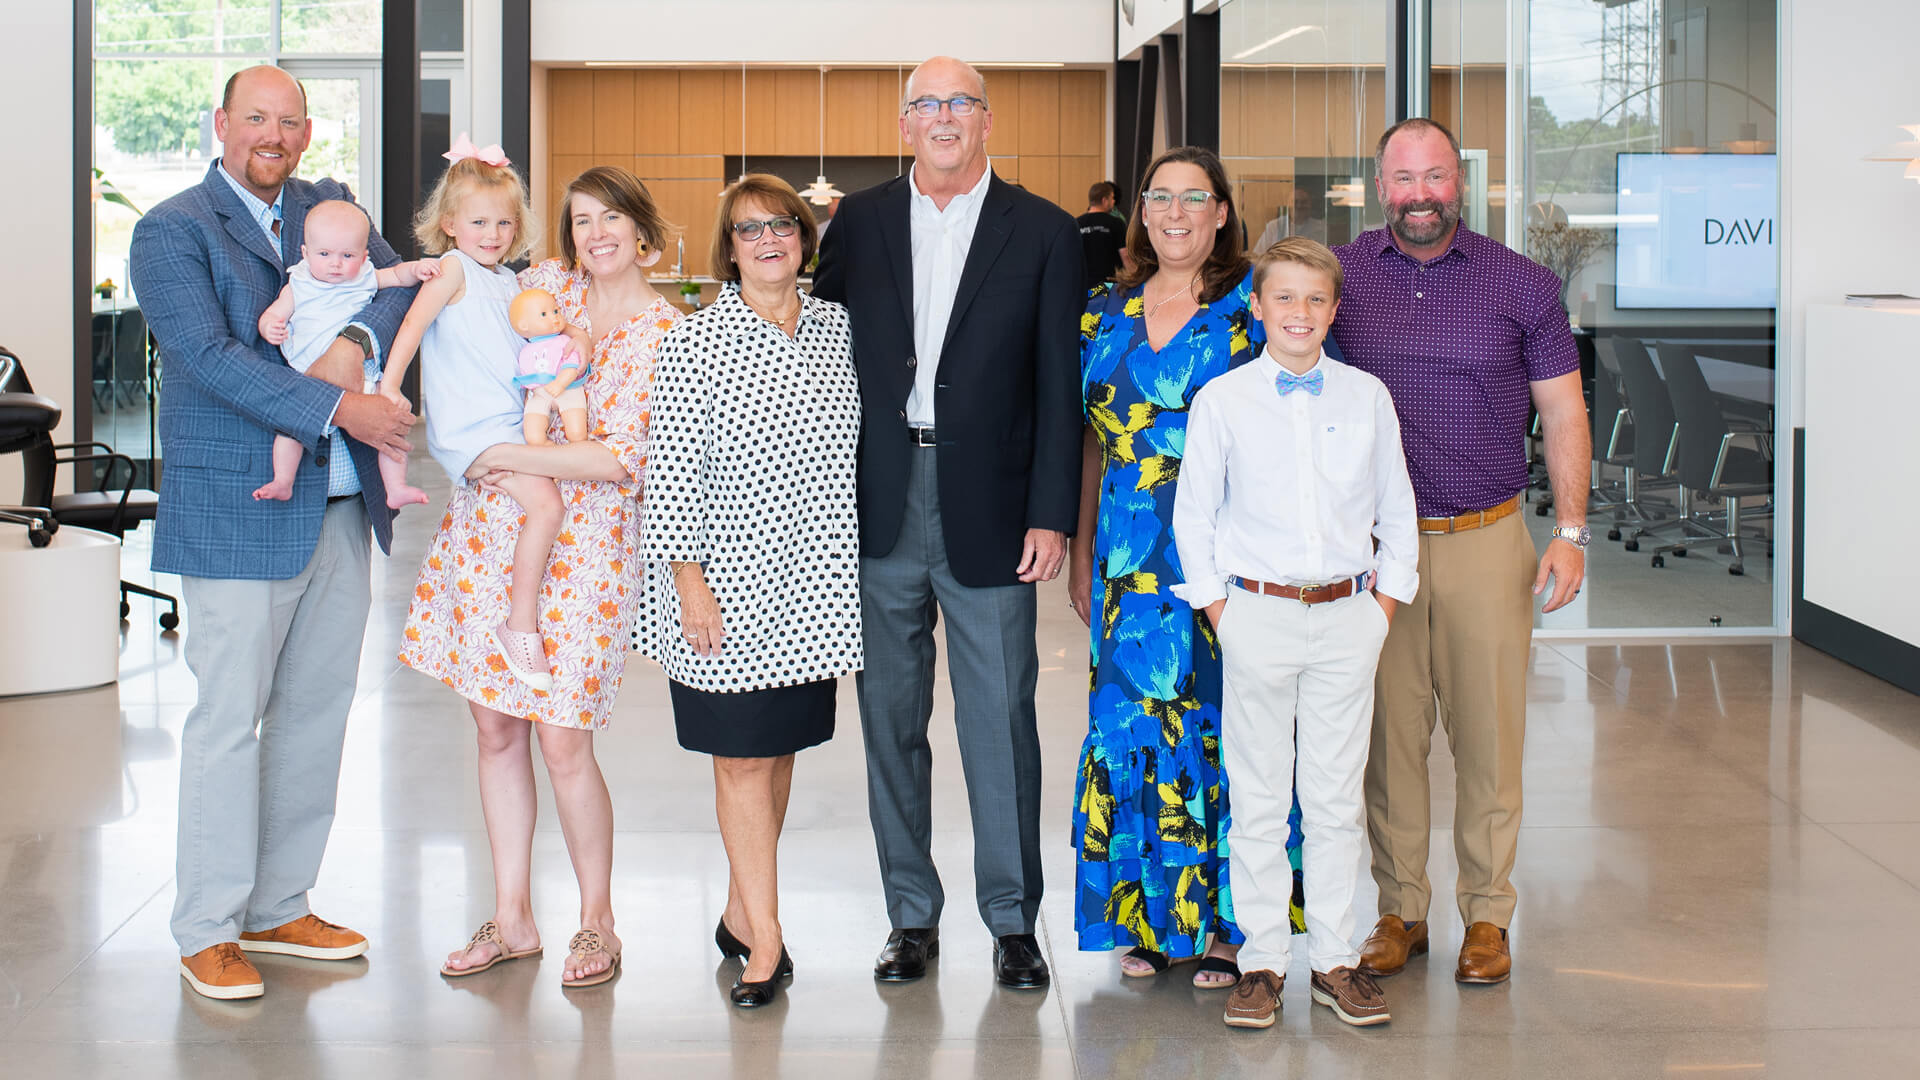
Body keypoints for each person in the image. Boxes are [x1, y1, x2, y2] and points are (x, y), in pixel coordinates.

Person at [128, 64, 417, 1001]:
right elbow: (208, 359)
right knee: (228, 721)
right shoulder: (171, 229)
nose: (275, 136)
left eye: (291, 122)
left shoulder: (329, 207)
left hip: (337, 507)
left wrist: (354, 348)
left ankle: (279, 903)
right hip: (238, 506)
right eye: (257, 118)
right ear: (221, 123)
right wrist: (339, 407)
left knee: (316, 714)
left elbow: (397, 285)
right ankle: (208, 925)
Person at [812, 55, 1083, 990]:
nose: (942, 117)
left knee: (1000, 717)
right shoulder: (862, 222)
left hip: (994, 511)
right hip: (876, 503)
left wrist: (1053, 512)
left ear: (987, 121)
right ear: (903, 124)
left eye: (960, 102)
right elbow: (823, 358)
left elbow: (1059, 386)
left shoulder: (1044, 232)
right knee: (890, 720)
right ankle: (910, 918)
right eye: (924, 103)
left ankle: (1012, 922)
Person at [401, 165, 681, 990]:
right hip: (491, 534)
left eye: (612, 219)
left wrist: (490, 455)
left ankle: (596, 921)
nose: (595, 234)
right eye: (581, 219)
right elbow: (452, 286)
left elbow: (616, 459)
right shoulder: (541, 283)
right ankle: (513, 914)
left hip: (586, 552)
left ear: (642, 231)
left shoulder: (666, 332)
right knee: (494, 731)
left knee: (564, 740)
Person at [1331, 117, 1590, 986]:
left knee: (1489, 739)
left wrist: (1572, 533)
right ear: (1379, 187)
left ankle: (1487, 916)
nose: (1419, 196)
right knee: (1388, 744)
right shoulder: (1341, 280)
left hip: (1487, 540)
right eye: (1401, 179)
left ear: (1461, 184)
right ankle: (1400, 912)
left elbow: (1563, 414)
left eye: (1434, 177)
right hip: (1375, 557)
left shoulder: (1523, 285)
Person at [1172, 237, 1418, 1030]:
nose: (1300, 313)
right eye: (1284, 298)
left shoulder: (1366, 396)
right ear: (1258, 306)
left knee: (1336, 799)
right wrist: (1222, 613)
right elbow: (1194, 516)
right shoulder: (1224, 400)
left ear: (1334, 310)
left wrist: (1381, 611)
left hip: (1349, 615)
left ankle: (1336, 960)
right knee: (1258, 798)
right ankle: (1262, 963)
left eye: (1316, 300)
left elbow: (1397, 512)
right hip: (1256, 617)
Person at [637, 174, 862, 1009]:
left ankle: (739, 909)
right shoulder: (697, 341)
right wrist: (690, 586)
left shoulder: (838, 329)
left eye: (782, 226)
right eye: (748, 230)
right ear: (729, 250)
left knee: (777, 754)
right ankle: (768, 941)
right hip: (723, 587)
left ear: (804, 239)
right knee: (738, 757)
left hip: (813, 588)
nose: (768, 240)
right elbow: (671, 477)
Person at [1065, 146, 1272, 990]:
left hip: (1224, 552)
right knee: (1130, 729)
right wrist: (1082, 549)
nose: (1177, 212)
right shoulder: (1098, 312)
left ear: (1222, 211)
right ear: (1140, 212)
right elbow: (1089, 443)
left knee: (1225, 729)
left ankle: (1229, 924)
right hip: (1124, 555)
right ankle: (1147, 921)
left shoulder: (1251, 312)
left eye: (1196, 197)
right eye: (1160, 197)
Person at [379, 141, 591, 693]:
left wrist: (570, 334)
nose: (493, 233)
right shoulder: (453, 270)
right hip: (473, 429)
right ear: (450, 223)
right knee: (547, 504)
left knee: (543, 501)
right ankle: (518, 624)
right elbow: (411, 326)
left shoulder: (507, 280)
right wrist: (388, 385)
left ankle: (516, 615)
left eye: (504, 222)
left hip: (502, 421)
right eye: (478, 221)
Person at [252, 199, 439, 504]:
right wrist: (270, 326)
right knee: (290, 427)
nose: (335, 264)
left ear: (364, 256)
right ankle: (283, 480)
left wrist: (417, 269)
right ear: (306, 253)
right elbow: (274, 314)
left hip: (361, 372)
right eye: (324, 254)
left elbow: (395, 277)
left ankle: (395, 487)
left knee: (390, 416)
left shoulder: (364, 276)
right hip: (307, 375)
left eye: (347, 255)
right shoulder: (299, 284)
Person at [1077, 180, 1125, 291]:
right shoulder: (1116, 223)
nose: (1114, 201)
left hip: (1083, 285)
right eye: (1112, 198)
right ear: (1104, 200)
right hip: (1109, 284)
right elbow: (1125, 254)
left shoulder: (1076, 223)